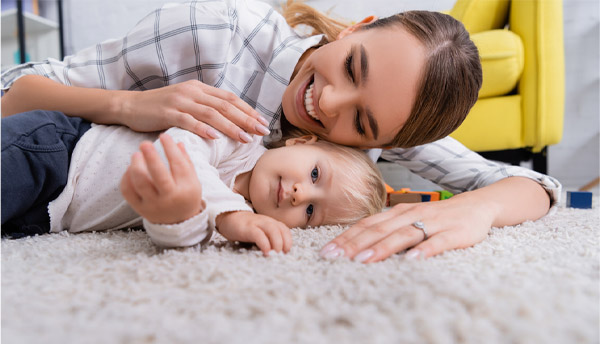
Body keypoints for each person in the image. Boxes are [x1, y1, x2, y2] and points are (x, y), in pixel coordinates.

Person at [0, 0, 561, 262]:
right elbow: (13, 95)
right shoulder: (215, 29)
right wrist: (128, 105)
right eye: (351, 66)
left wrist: (475, 210)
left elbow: (534, 185)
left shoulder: (390, 126)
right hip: (54, 144)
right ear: (355, 27)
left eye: (361, 123)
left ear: (381, 141)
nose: (329, 101)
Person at [1, 110, 387, 255]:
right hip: (58, 151)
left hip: (47, 216)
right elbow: (180, 147)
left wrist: (185, 219)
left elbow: (174, 236)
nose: (301, 193)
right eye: (316, 174)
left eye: (311, 212)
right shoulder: (240, 137)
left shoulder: (239, 223)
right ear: (302, 141)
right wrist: (230, 215)